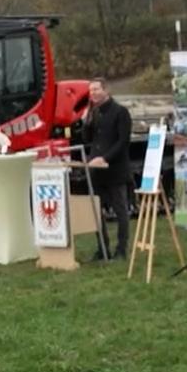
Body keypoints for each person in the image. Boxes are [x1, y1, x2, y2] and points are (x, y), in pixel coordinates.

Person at [83, 78, 133, 261]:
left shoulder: (120, 112)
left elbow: (123, 141)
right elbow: (88, 138)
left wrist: (104, 158)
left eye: (96, 89)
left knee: (120, 211)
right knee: (97, 210)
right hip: (97, 171)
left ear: (106, 90)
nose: (93, 93)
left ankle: (121, 249)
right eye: (91, 90)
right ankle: (102, 248)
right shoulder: (94, 113)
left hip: (115, 169)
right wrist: (86, 120)